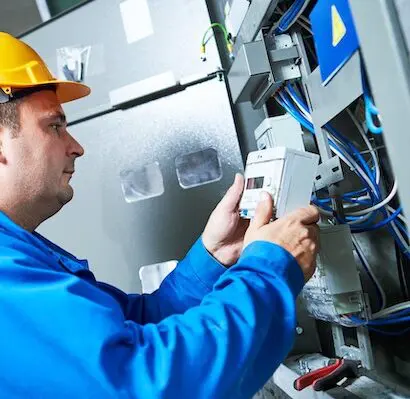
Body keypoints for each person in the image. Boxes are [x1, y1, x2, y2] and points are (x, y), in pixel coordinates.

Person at [0, 32, 319, 398]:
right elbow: (146, 383)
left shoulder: (20, 252)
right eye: (54, 125)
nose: (76, 147)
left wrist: (213, 257)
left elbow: (137, 323)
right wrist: (270, 268)